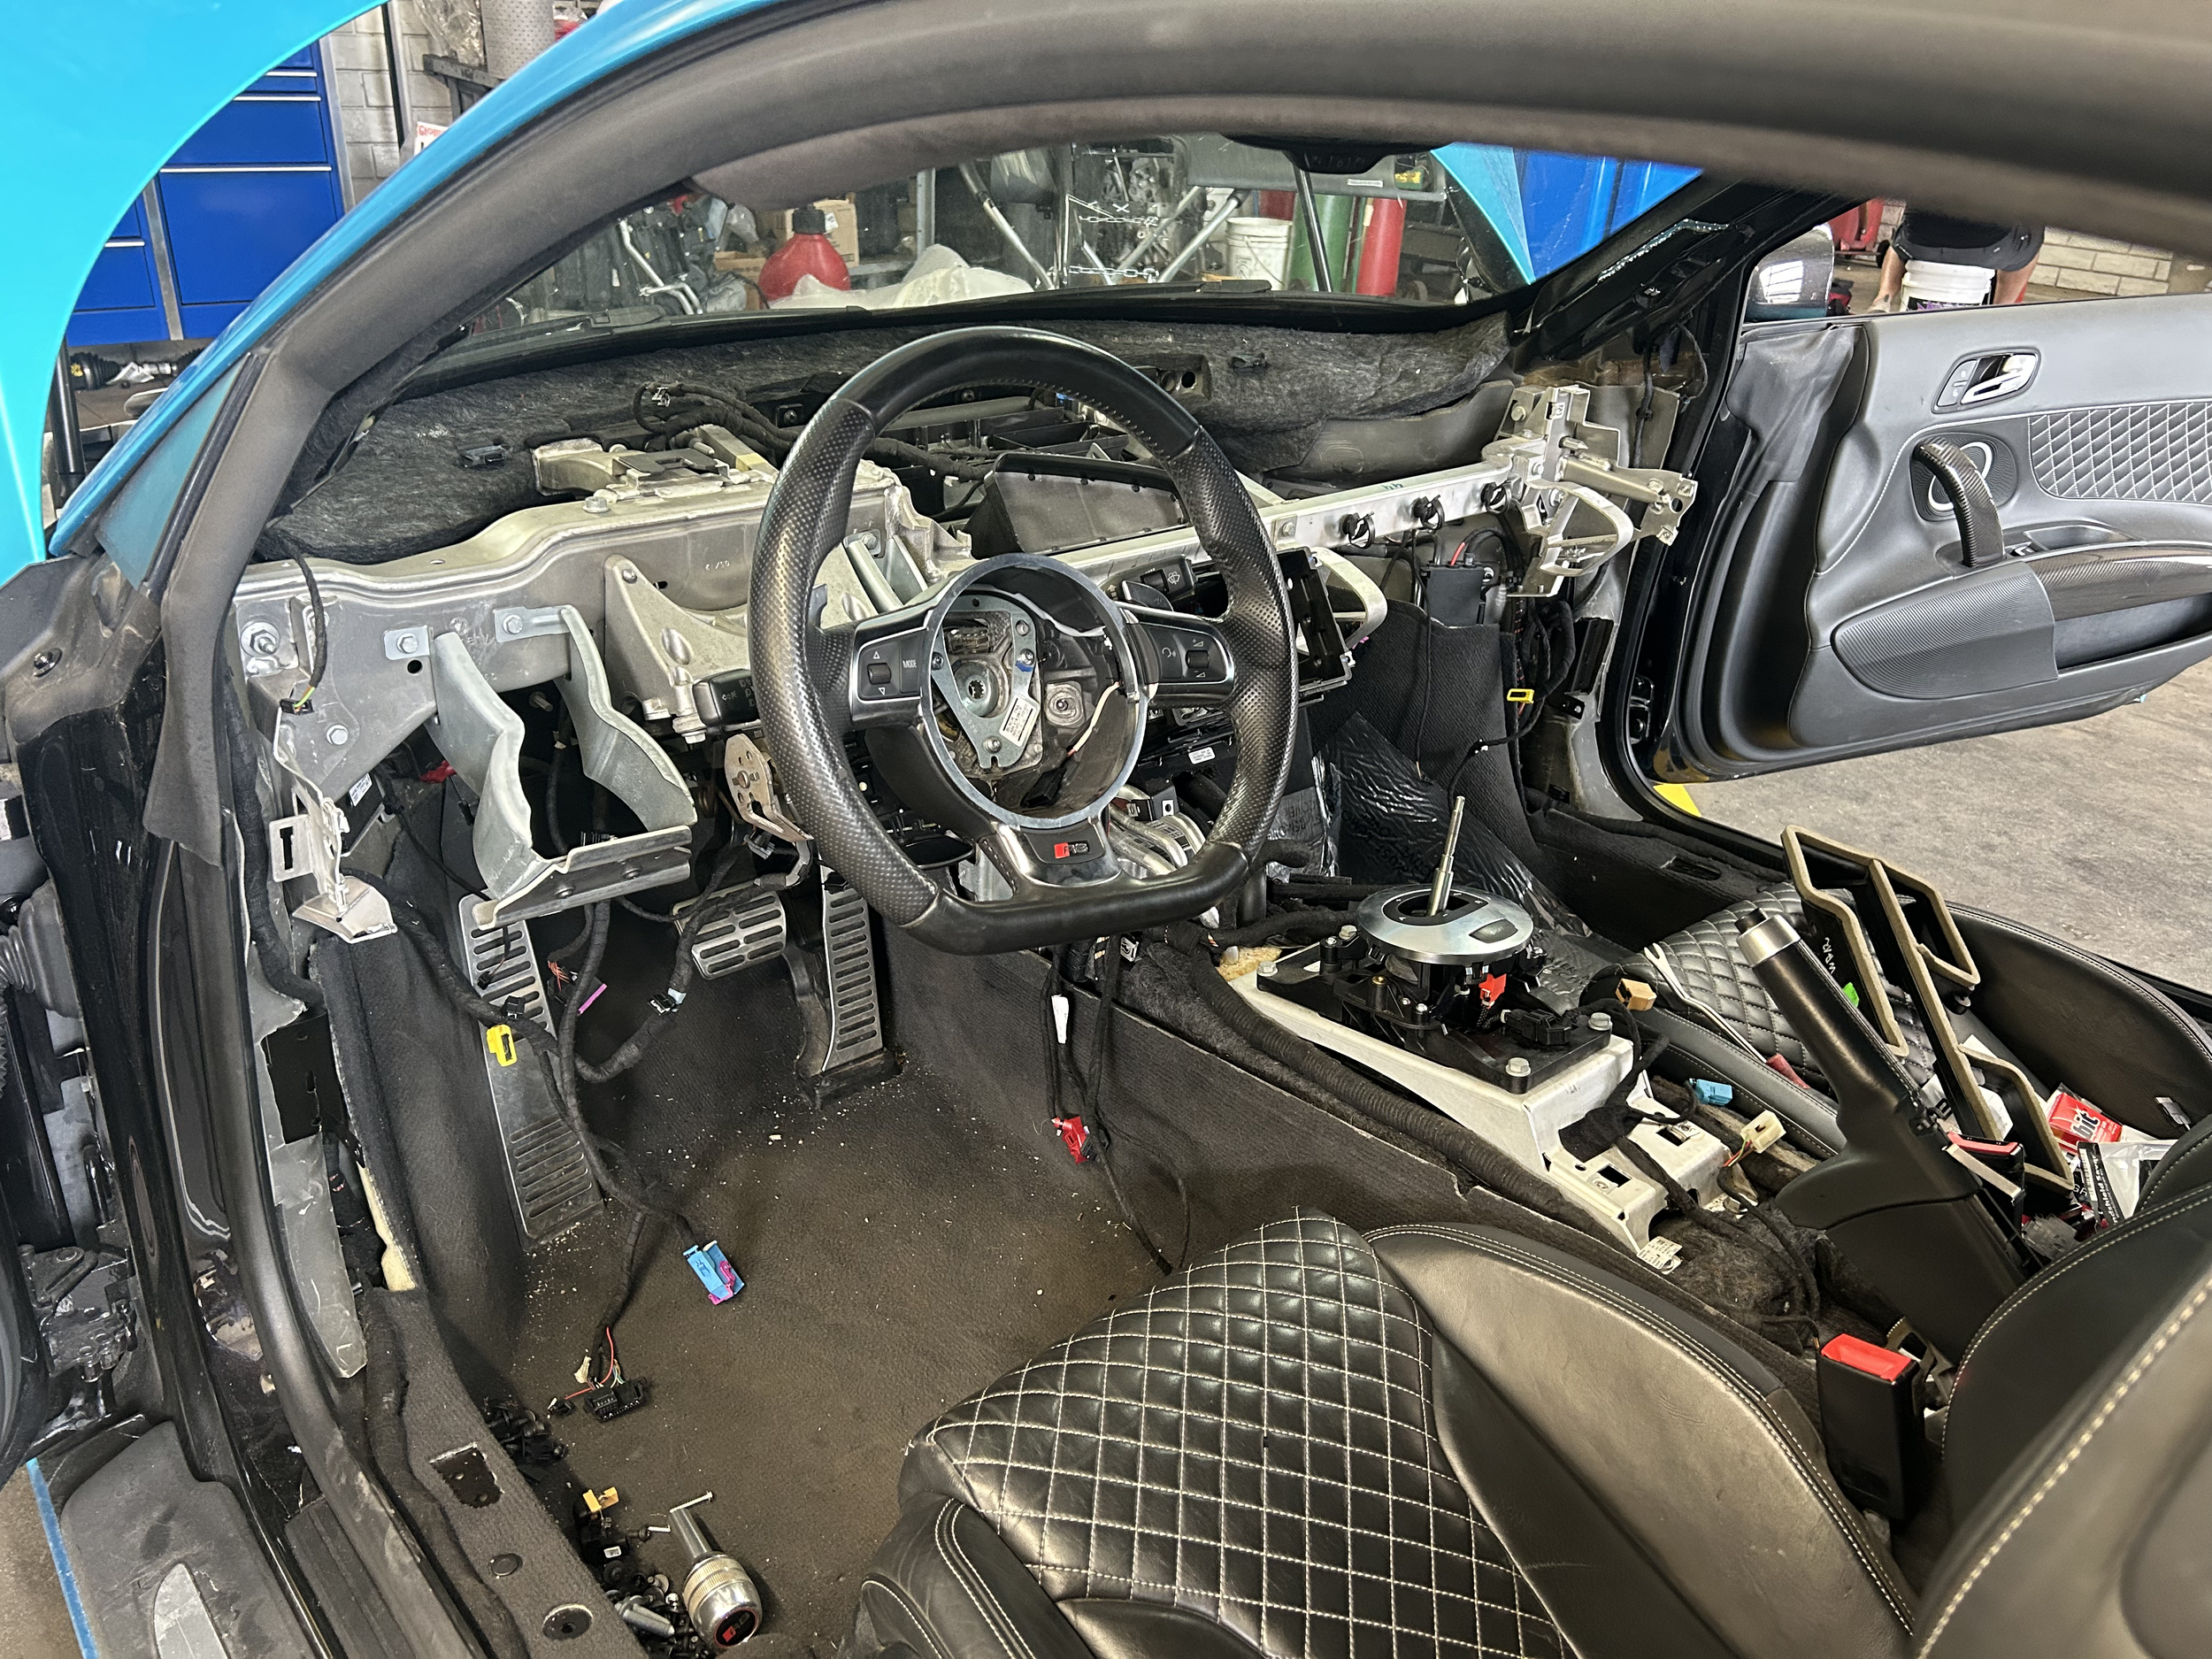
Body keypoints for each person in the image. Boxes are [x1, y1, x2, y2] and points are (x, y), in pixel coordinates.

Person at [1870, 208, 2042, 310]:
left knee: (1899, 240)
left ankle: (1883, 298)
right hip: (1987, 249)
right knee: (2033, 236)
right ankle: (1999, 310)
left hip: (1919, 243)